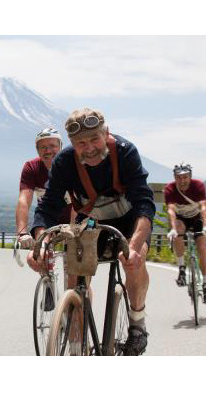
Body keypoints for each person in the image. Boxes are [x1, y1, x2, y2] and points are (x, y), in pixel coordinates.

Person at [27, 108, 155, 356]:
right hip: (91, 222)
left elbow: (144, 203)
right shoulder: (64, 162)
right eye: (80, 143)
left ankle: (137, 324)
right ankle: (77, 344)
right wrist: (40, 243)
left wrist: (135, 246)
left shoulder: (125, 152)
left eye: (95, 139)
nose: (89, 148)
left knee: (134, 263)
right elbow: (48, 206)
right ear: (72, 144)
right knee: (75, 276)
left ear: (106, 132)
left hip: (130, 221)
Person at [164, 163, 206, 304]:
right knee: (178, 231)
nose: (182, 180)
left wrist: (205, 226)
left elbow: (203, 207)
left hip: (197, 219)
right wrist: (173, 229)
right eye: (179, 177)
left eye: (185, 177)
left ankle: (205, 285)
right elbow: (171, 210)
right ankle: (181, 269)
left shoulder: (198, 186)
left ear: (190, 177)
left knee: (202, 248)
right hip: (181, 220)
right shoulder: (170, 189)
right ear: (175, 178)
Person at [15, 127, 72, 249]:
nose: (48, 150)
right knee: (41, 247)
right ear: (37, 150)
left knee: (73, 257)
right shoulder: (32, 167)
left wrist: (74, 228)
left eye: (52, 146)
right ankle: (43, 258)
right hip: (48, 216)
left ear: (61, 146)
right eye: (43, 147)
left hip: (74, 216)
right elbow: (24, 200)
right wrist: (22, 232)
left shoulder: (71, 164)